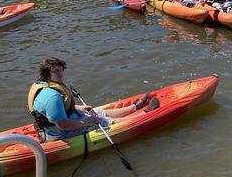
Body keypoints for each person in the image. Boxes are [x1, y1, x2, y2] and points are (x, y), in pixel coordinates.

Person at [27, 58, 159, 142]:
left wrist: (78, 108)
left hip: (53, 124)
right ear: (47, 74)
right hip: (57, 133)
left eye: (61, 70)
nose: (61, 74)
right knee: (102, 121)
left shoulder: (42, 84)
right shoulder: (52, 96)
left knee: (97, 111)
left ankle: (134, 108)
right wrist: (86, 122)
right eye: (56, 71)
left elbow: (58, 109)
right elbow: (63, 126)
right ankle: (144, 114)